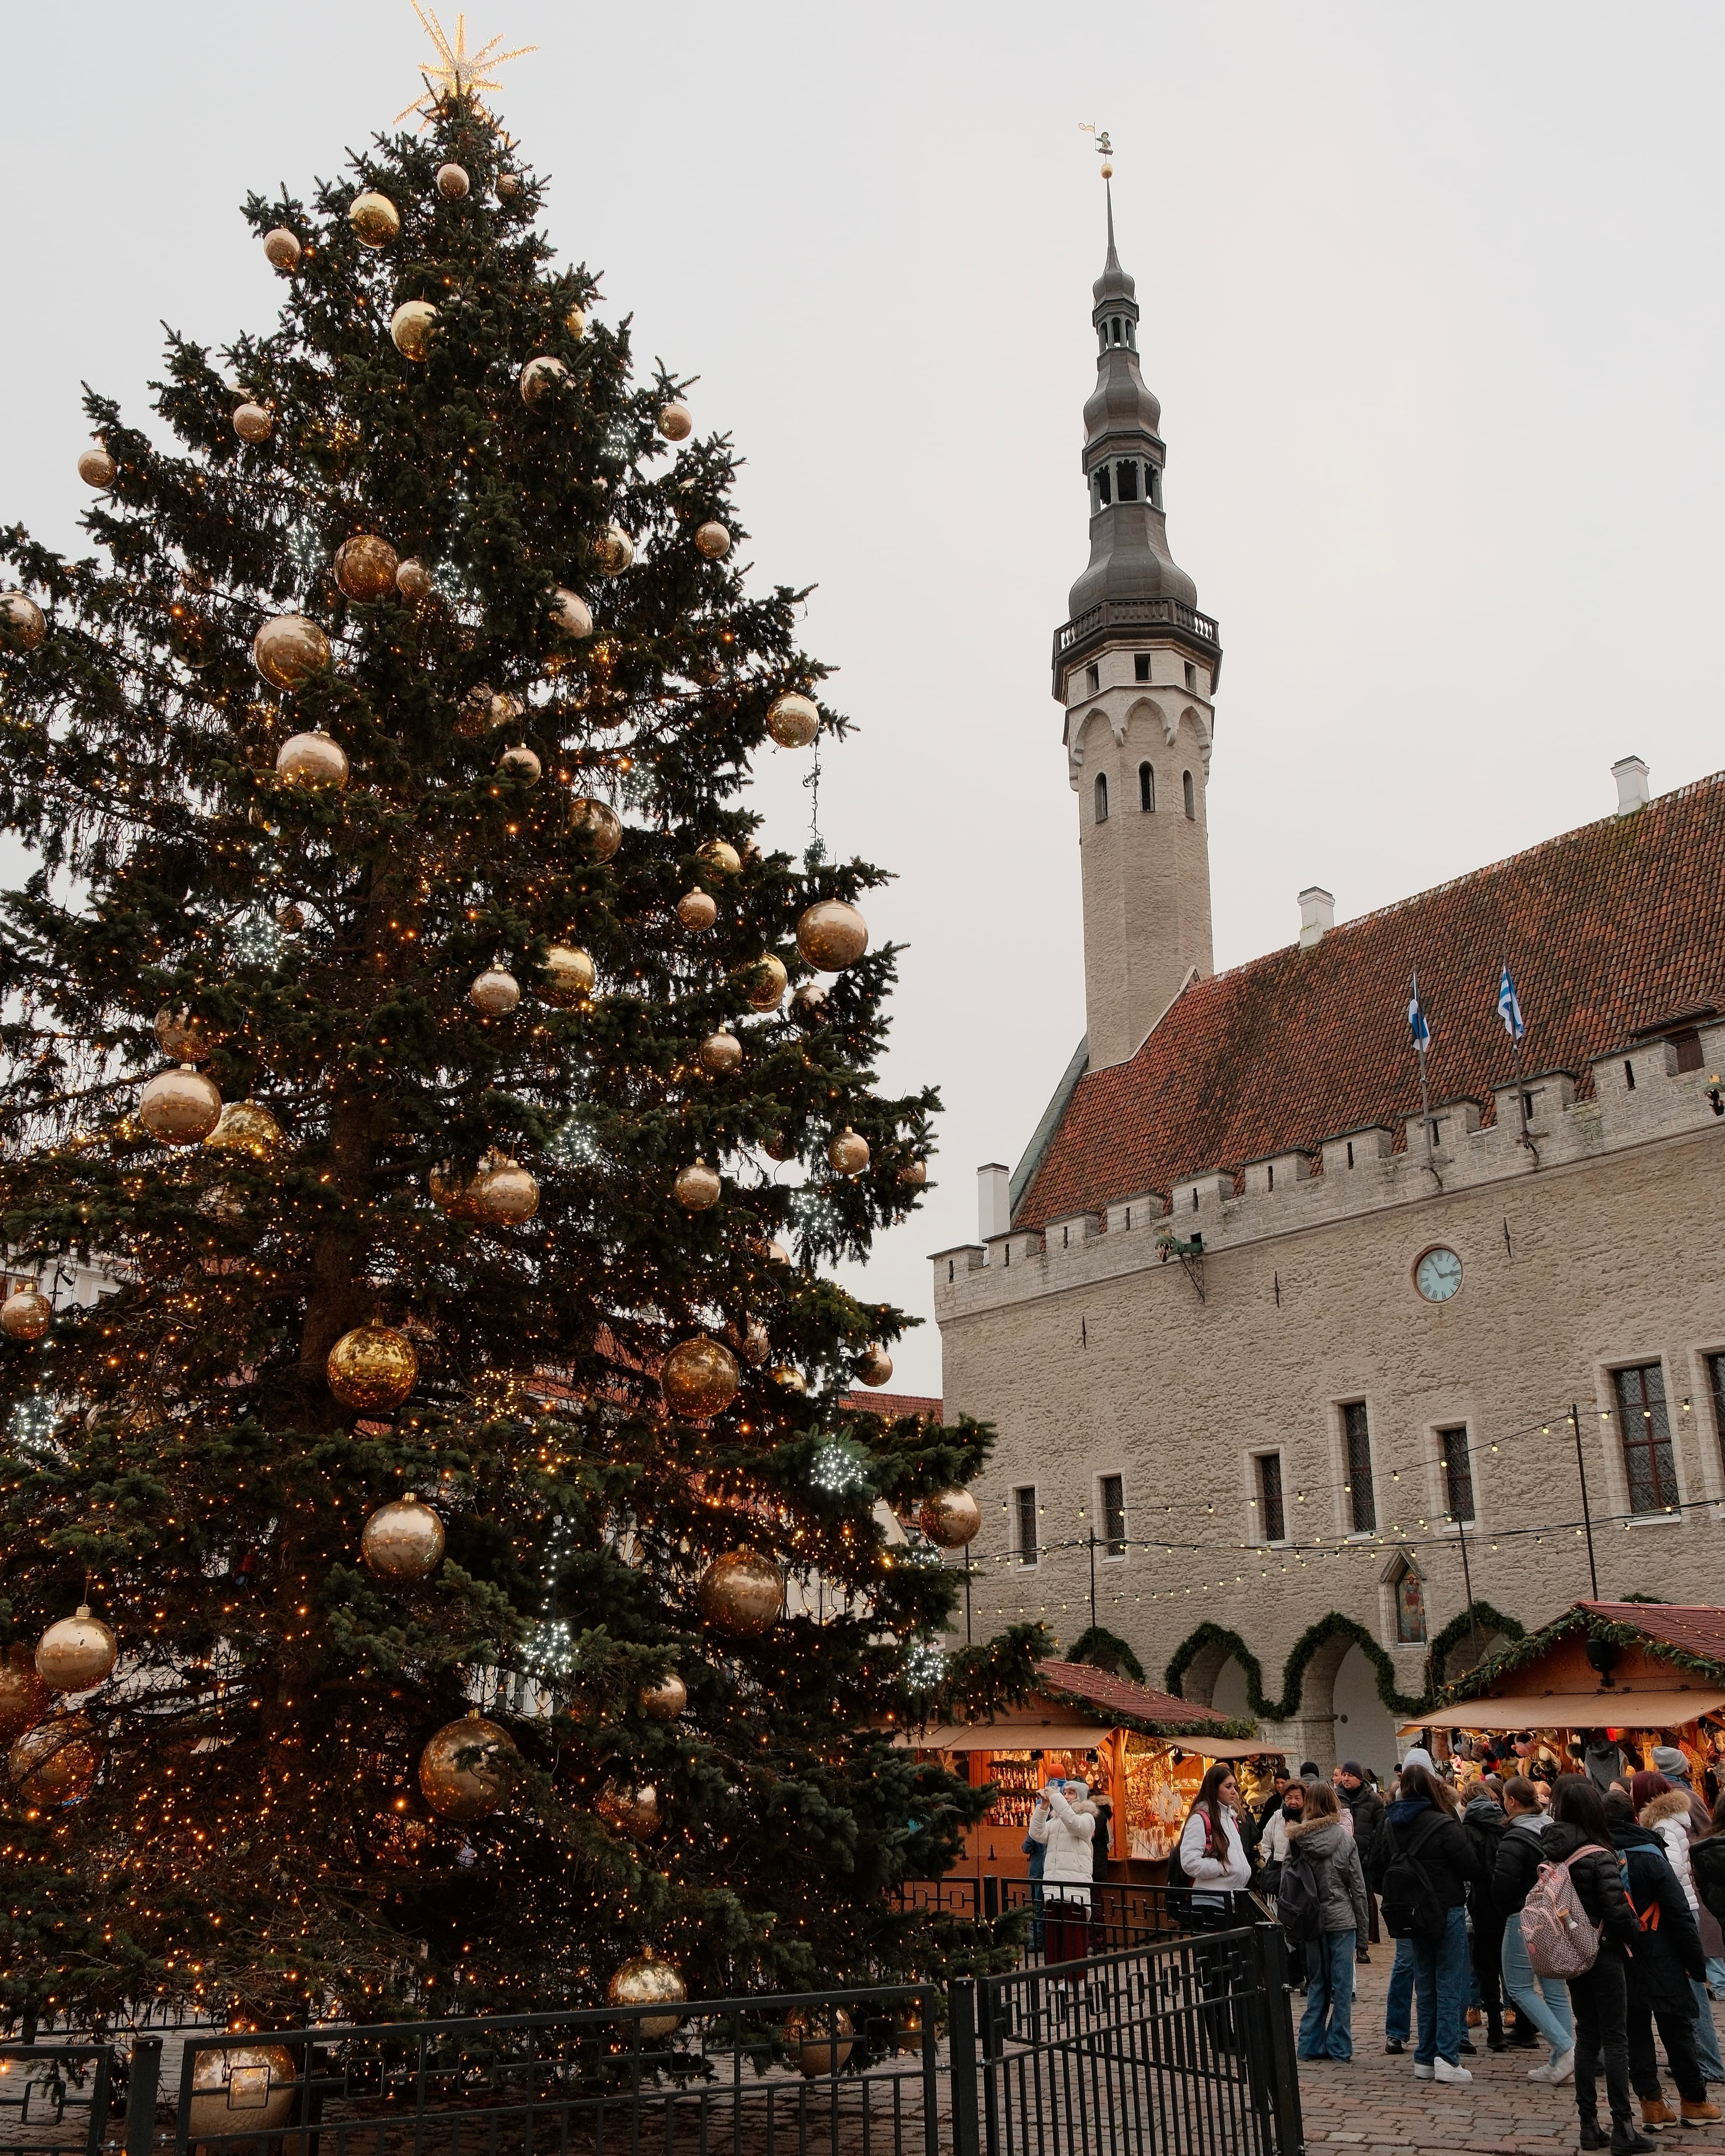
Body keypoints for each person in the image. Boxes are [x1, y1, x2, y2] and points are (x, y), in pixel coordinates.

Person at [1602, 1785, 1721, 2131]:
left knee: (1635, 2031)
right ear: (1635, 1816)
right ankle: (1694, 2101)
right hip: (1662, 1952)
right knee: (1677, 2029)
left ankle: (1652, 2104)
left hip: (1621, 1954)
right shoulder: (1650, 1854)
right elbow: (1679, 1912)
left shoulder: (1599, 1854)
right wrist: (1696, 1964)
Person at [1544, 1774, 1650, 2153]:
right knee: (1616, 2038)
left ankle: (1588, 2124)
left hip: (1573, 1952)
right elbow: (1617, 1911)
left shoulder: (1553, 1853)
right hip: (1603, 1952)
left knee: (1587, 2033)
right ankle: (1624, 2127)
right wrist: (1635, 1932)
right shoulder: (1598, 1854)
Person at [1366, 1757, 1484, 2083]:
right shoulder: (1444, 1824)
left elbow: (1374, 1871)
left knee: (1425, 1983)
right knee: (1448, 1981)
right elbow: (1471, 1868)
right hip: (1445, 1909)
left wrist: (1401, 1894)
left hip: (1409, 1914)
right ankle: (1446, 2056)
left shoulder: (1388, 1824)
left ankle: (1424, 2058)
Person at [1633, 1771, 1725, 2084]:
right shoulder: (1673, 1821)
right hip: (1683, 1910)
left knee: (1693, 1991)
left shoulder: (1663, 1825)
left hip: (1678, 1914)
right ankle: (1699, 2058)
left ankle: (1709, 2063)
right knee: (1691, 1989)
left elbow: (1668, 1874)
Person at [1495, 1774, 1576, 2077]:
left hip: (1524, 1916)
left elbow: (1503, 1886)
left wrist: (1505, 1907)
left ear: (1512, 1801)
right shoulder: (1550, 1831)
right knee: (1554, 1987)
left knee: (1518, 1985)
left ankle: (1565, 2048)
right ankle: (1560, 2060)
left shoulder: (1515, 1838)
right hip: (1555, 1914)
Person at [1286, 1781, 1370, 2061]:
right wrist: (1363, 1932)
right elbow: (1358, 1889)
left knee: (1318, 1982)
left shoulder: (1297, 1840)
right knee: (1343, 1986)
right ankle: (1340, 2045)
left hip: (1311, 1918)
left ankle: (1310, 2044)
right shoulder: (1345, 1839)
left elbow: (1288, 1881)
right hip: (1341, 1918)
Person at [1651, 1747, 1725, 2006]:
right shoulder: (1687, 1797)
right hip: (1696, 1866)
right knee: (1708, 1926)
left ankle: (1715, 1981)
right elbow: (1709, 1829)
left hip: (1688, 1870)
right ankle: (1719, 1982)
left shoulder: (1659, 1794)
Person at [1461, 1774, 1510, 2050]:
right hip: (1508, 1906)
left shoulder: (1468, 1830)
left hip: (1481, 1907)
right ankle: (1521, 2021)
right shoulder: (1506, 1826)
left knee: (1486, 1969)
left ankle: (1495, 2031)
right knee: (1512, 1970)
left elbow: (1468, 1869)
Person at [1027, 1776, 1095, 1966]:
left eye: (1071, 1793)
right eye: (1065, 1793)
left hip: (1074, 1889)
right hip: (1054, 1886)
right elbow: (1037, 1834)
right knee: (1054, 1939)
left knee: (1073, 1939)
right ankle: (1055, 1979)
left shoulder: (1087, 1817)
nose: (1066, 1796)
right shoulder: (1057, 1821)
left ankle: (1076, 1979)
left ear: (1080, 1796)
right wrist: (1043, 1807)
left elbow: (1075, 1825)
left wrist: (1056, 1798)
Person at [1177, 1762, 1252, 1925]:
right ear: (1215, 1789)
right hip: (1210, 1904)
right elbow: (1190, 1862)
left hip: (1231, 1900)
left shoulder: (1230, 1818)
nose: (1234, 1792)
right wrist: (1222, 1868)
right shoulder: (1200, 1819)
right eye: (1228, 1787)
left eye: (1235, 1786)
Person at [1337, 1760, 1385, 1957]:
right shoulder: (1335, 1798)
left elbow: (1381, 1830)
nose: (1346, 1779)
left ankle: (1363, 1947)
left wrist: (1371, 1857)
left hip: (1364, 1859)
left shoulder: (1374, 1800)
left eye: (1350, 1775)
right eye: (1344, 1775)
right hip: (1341, 1859)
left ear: (1360, 1778)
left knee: (1362, 1901)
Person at [1023, 1785, 1049, 1955]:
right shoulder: (1055, 1824)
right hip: (1050, 1869)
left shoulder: (1037, 1826)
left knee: (1036, 1906)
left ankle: (1035, 1941)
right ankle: (1047, 1940)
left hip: (1037, 1868)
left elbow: (1026, 1847)